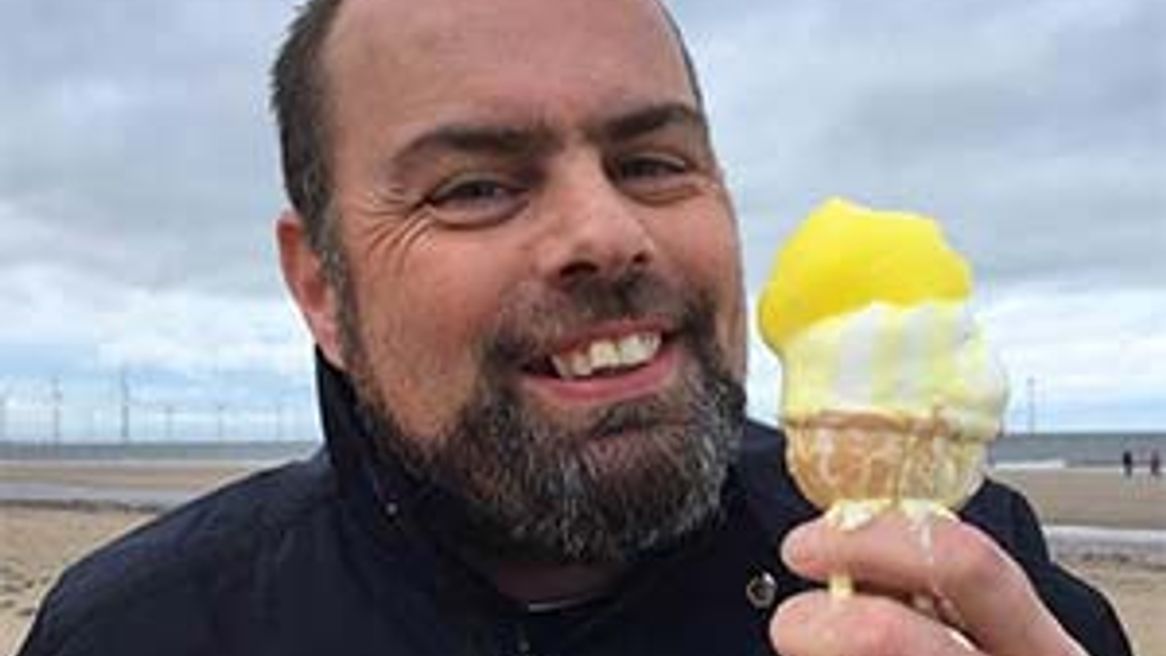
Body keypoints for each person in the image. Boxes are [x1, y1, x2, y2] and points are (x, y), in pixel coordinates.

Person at [19, 0, 1131, 654]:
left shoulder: (970, 571)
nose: (606, 233)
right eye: (473, 186)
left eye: (651, 162)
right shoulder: (143, 630)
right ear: (320, 287)